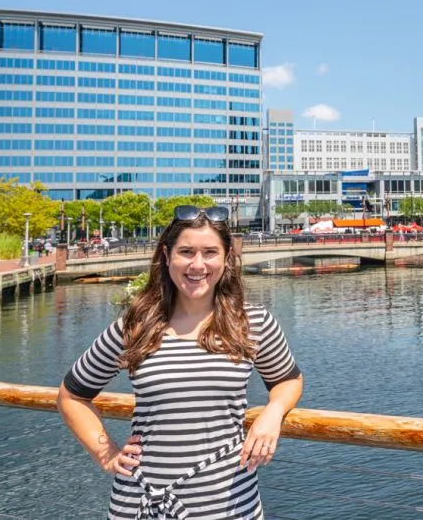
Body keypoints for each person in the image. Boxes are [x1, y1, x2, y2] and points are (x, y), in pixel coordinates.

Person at [57, 205, 303, 519]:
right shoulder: (136, 326)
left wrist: (274, 412)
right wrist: (107, 453)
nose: (197, 265)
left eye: (210, 253)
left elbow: (287, 380)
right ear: (166, 255)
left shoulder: (252, 322)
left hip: (230, 505)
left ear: (226, 259)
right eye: (186, 252)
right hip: (142, 504)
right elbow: (72, 395)